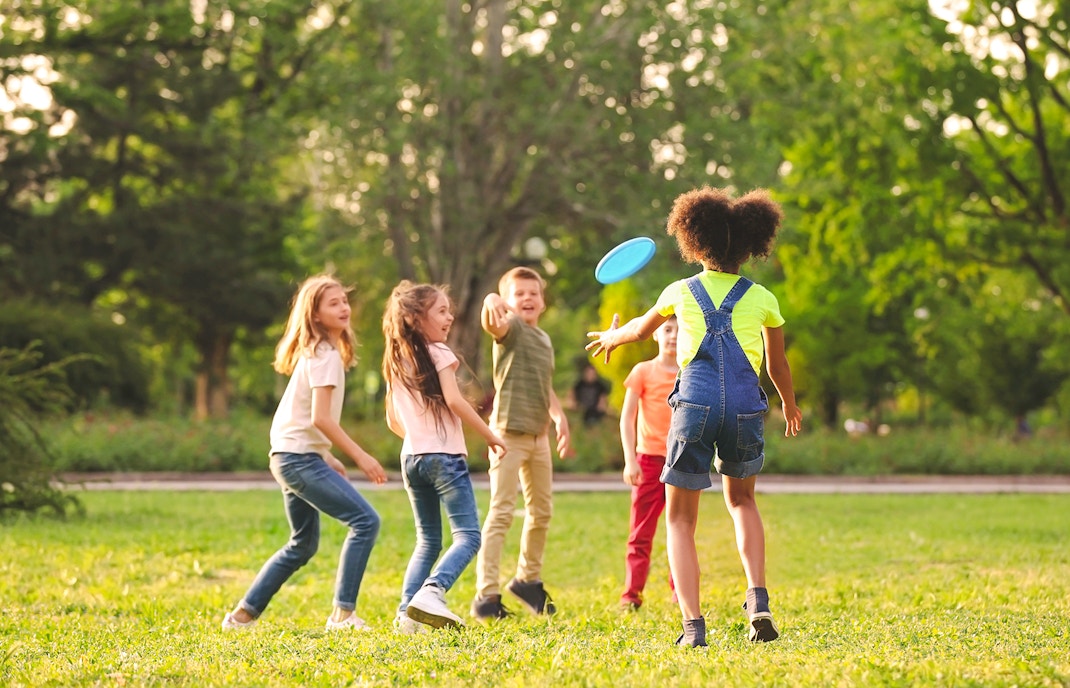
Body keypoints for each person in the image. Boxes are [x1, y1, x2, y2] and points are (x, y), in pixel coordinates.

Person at [587, 187, 802, 647]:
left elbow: (638, 331)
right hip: (746, 408)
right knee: (743, 502)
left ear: (694, 241)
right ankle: (758, 600)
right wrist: (789, 402)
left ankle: (693, 627)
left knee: (681, 520)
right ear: (750, 246)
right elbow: (777, 365)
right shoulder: (762, 297)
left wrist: (611, 337)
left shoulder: (680, 291)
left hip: (695, 408)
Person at [222, 274, 388, 632]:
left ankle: (241, 617)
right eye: (333, 303)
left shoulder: (317, 354)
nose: (344, 307)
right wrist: (362, 456)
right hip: (297, 459)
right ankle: (343, 616)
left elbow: (297, 417)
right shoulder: (324, 356)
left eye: (345, 300)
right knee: (366, 521)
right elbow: (321, 418)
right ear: (314, 315)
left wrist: (325, 455)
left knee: (302, 544)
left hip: (289, 455)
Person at [381, 281, 508, 633]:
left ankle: (406, 615)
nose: (449, 317)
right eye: (441, 311)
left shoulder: (396, 360)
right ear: (415, 318)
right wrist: (490, 435)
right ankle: (432, 592)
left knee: (428, 539)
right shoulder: (438, 353)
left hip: (412, 458)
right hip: (444, 458)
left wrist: (420, 440)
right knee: (468, 536)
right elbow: (455, 401)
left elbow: (394, 420)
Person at [472, 266, 572, 621]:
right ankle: (486, 596)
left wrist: (558, 417)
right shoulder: (509, 329)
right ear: (509, 304)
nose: (527, 298)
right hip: (506, 435)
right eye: (519, 294)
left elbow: (544, 385)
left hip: (538, 436)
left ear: (543, 301)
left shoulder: (543, 340)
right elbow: (492, 323)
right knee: (501, 512)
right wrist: (490, 300)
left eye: (534, 293)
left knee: (541, 512)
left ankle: (527, 580)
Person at [619, 315, 679, 611]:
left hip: (682, 461)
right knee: (640, 533)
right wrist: (630, 461)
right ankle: (631, 595)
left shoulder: (692, 373)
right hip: (648, 462)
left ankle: (680, 591)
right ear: (655, 334)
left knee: (680, 530)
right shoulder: (642, 371)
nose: (673, 336)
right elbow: (627, 418)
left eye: (680, 330)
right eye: (667, 329)